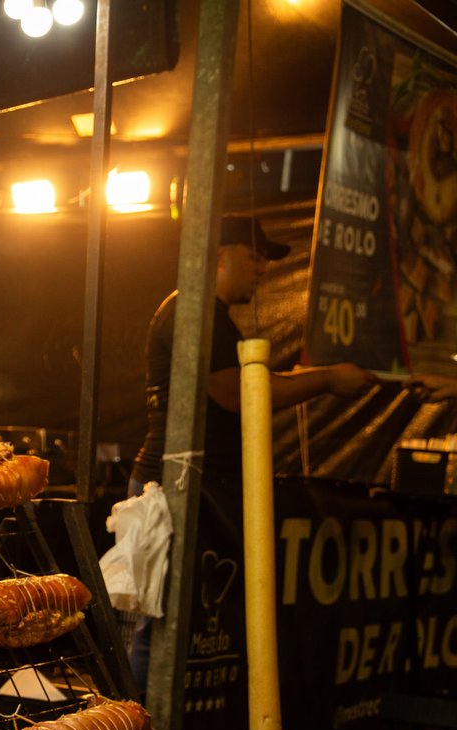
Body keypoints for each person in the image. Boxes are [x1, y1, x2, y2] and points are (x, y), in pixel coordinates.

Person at [125, 214, 374, 687]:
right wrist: (324, 380)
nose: (262, 270)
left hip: (202, 488)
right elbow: (238, 392)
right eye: (254, 257)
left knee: (193, 625)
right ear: (220, 256)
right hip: (173, 486)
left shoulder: (212, 317)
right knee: (160, 627)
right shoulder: (191, 311)